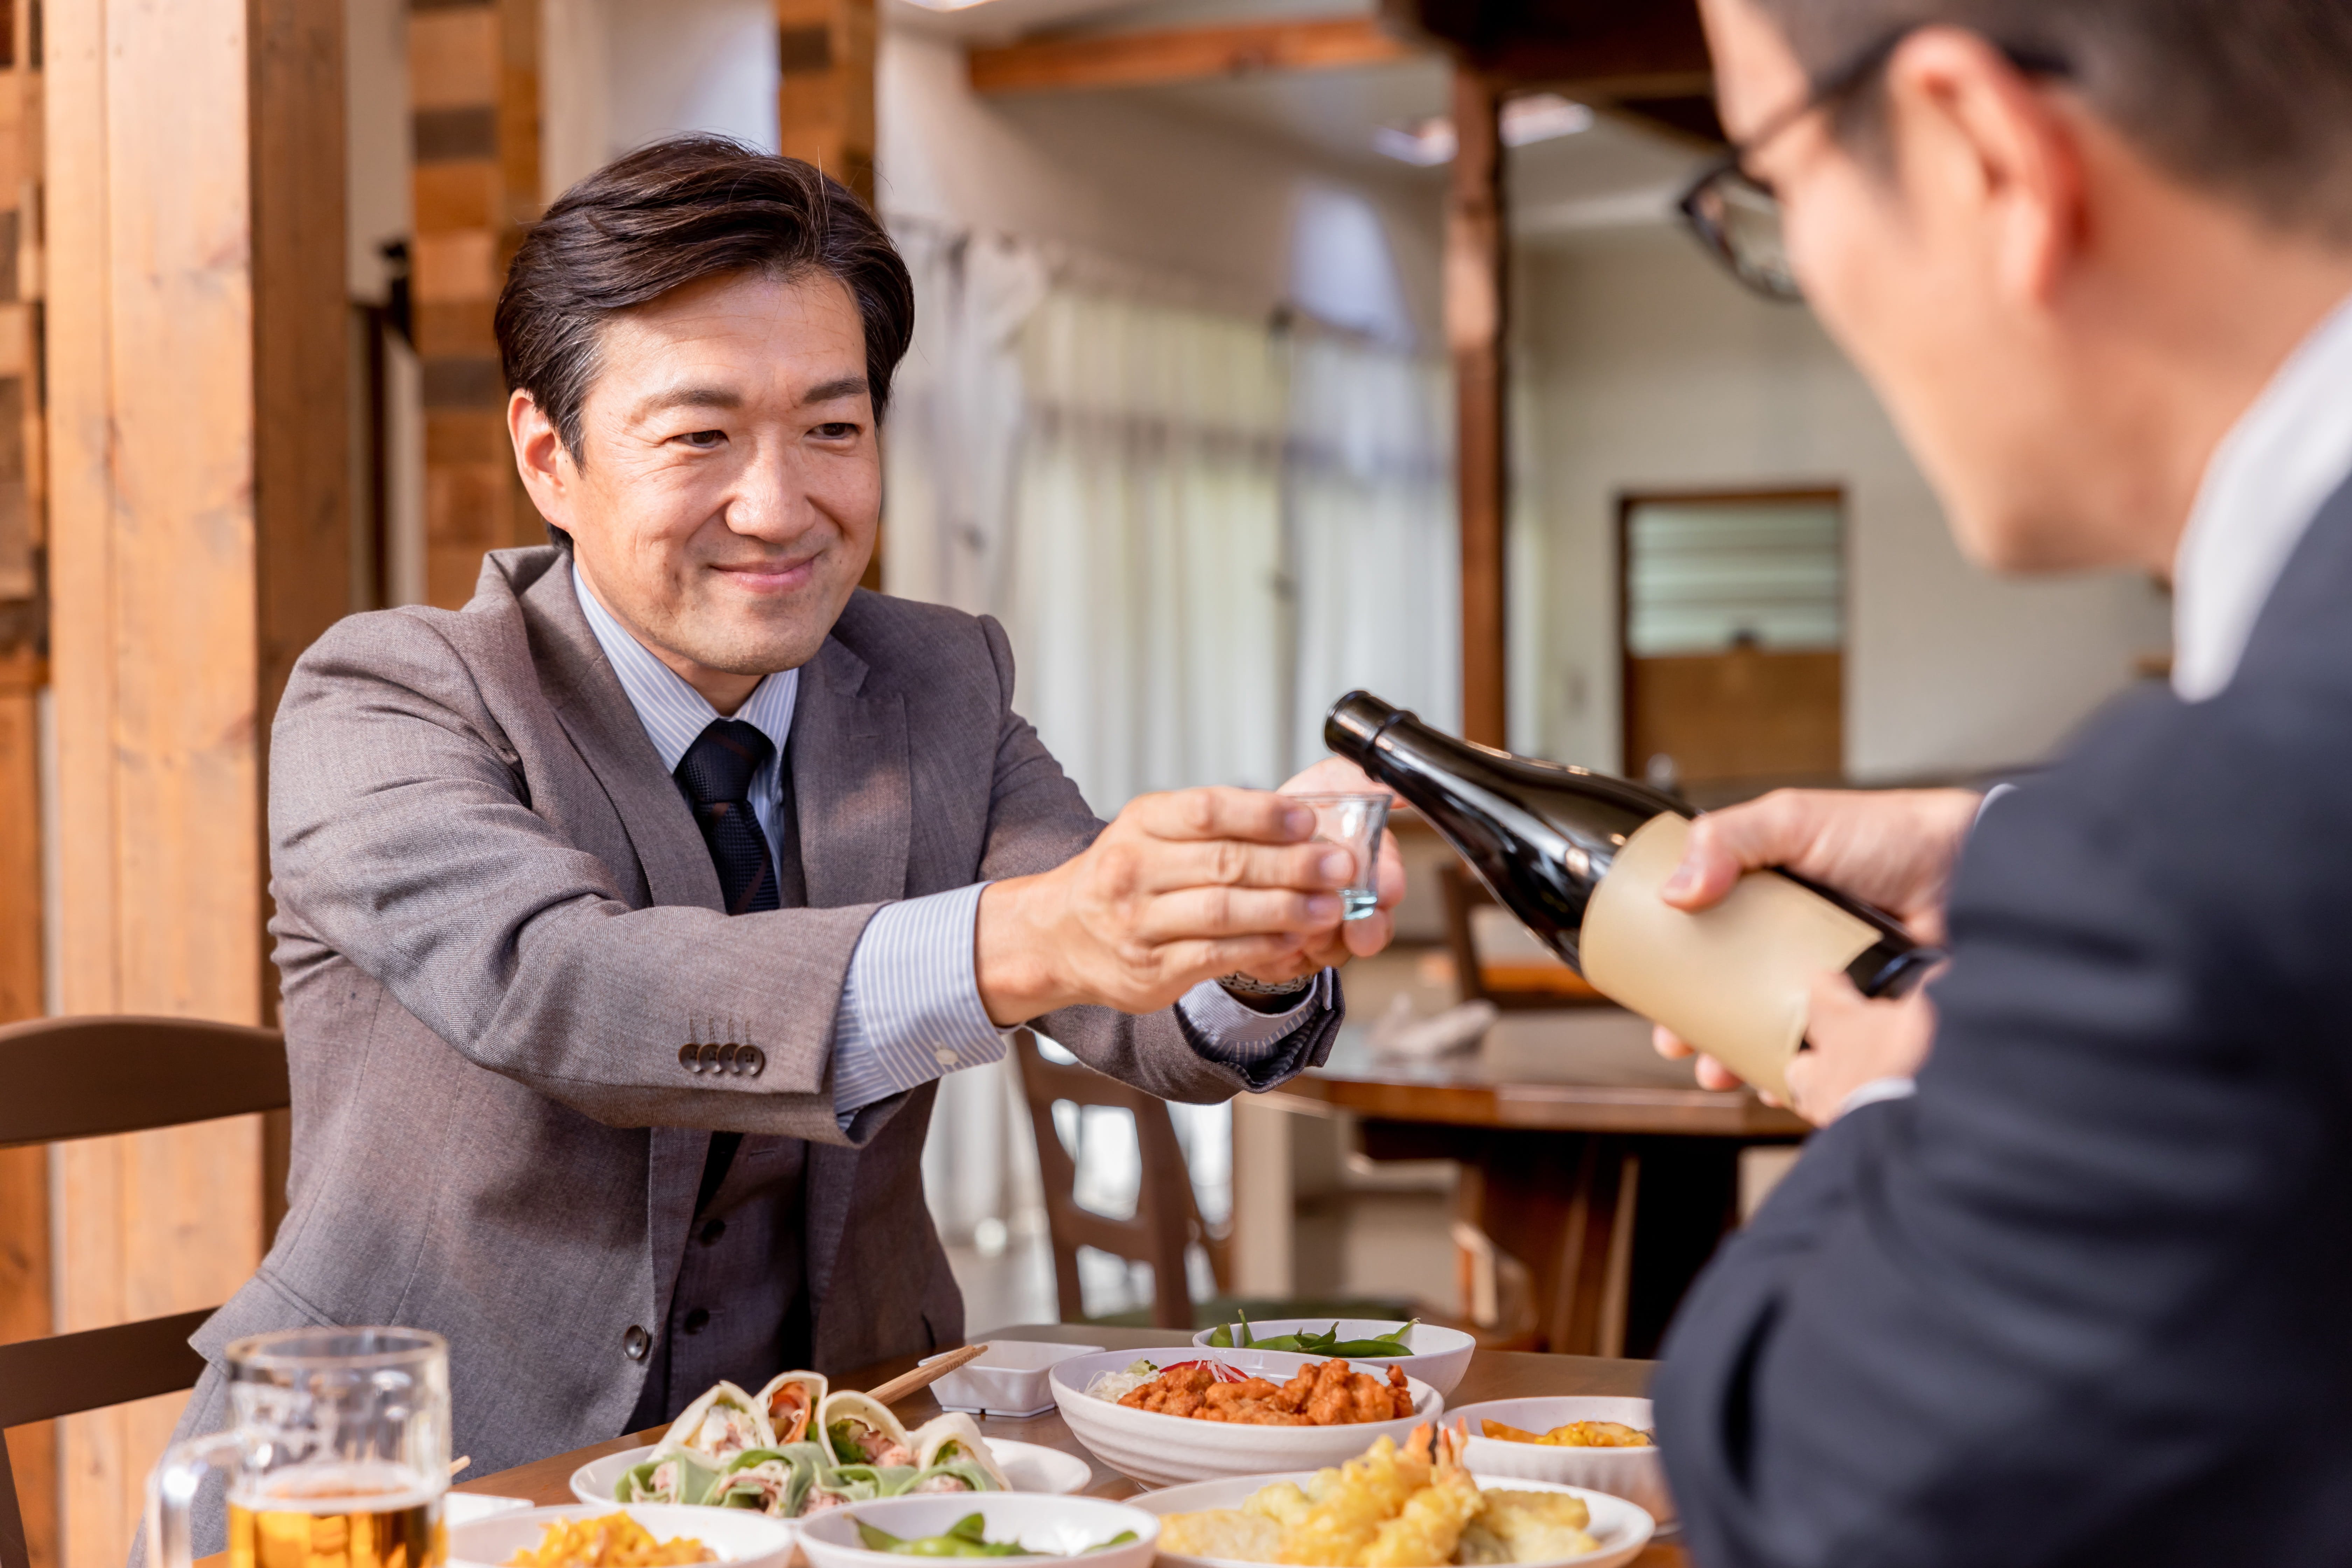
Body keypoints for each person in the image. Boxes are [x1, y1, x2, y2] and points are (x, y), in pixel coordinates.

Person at [165, 136, 1398, 1549]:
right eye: (700, 436)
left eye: (834, 426)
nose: (780, 505)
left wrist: (1249, 934)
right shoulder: (390, 694)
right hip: (421, 1493)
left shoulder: (941, 681)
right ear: (548, 456)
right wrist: (1046, 933)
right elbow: (560, 985)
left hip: (846, 1495)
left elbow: (1135, 1000)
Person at [1644, 0, 2352, 1561]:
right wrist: (2010, 855)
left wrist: (1913, 1084)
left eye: (1769, 180)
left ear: (1982, 150)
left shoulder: (2189, 861)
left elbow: (1814, 1471)